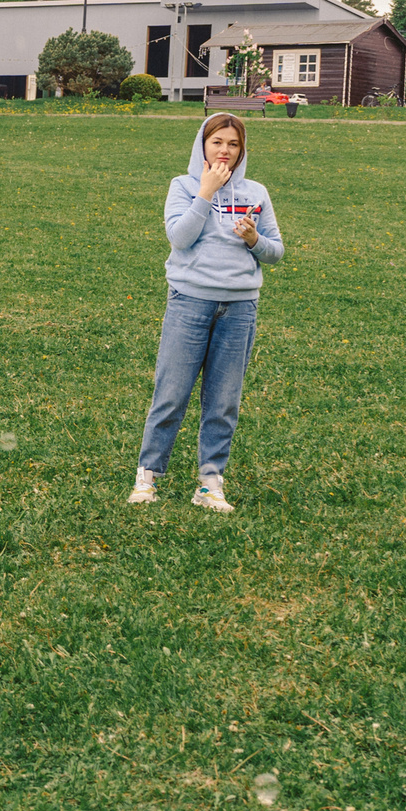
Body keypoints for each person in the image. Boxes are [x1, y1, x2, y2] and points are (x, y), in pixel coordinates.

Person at [130, 112, 282, 512]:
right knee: (171, 393)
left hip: (239, 307)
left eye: (233, 144)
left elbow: (276, 251)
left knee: (223, 400)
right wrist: (206, 193)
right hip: (190, 302)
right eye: (217, 142)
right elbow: (179, 238)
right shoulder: (183, 186)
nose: (225, 151)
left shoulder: (257, 192)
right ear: (203, 144)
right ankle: (148, 477)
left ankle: (209, 483)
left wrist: (254, 240)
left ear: (241, 150)